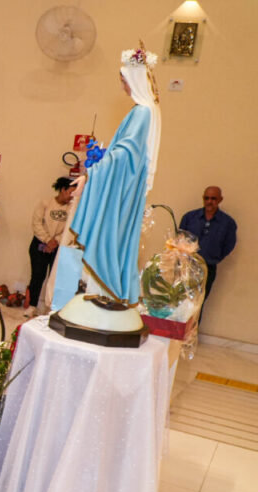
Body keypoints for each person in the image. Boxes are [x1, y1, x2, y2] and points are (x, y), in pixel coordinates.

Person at [55, 46, 162, 309]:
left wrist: (91, 175)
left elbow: (125, 155)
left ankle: (103, 297)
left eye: (125, 80)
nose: (123, 86)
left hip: (121, 188)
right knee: (113, 240)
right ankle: (102, 295)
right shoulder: (146, 110)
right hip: (125, 186)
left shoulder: (142, 112)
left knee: (108, 239)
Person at [179, 186, 237, 322]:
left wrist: (214, 257)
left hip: (208, 268)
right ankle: (176, 335)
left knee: (198, 303)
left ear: (220, 200)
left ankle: (190, 337)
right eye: (206, 198)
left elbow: (229, 245)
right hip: (186, 266)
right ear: (203, 198)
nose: (209, 201)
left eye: (213, 198)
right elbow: (179, 238)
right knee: (180, 299)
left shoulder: (228, 223)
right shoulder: (190, 217)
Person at [26, 177, 73, 316]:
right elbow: (36, 224)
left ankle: (51, 308)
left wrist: (55, 241)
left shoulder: (72, 208)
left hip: (58, 247)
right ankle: (32, 306)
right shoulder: (45, 203)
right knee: (37, 276)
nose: (71, 196)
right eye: (70, 192)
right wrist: (47, 240)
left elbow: (69, 229)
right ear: (63, 190)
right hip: (39, 244)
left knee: (55, 277)